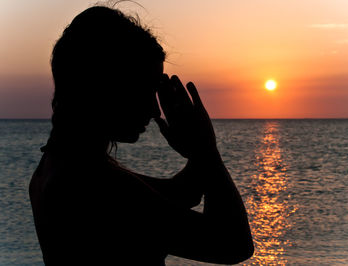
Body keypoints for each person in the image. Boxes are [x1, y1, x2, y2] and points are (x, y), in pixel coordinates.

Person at [29, 5, 254, 265]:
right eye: (145, 90)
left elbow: (182, 192)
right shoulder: (94, 185)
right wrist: (206, 151)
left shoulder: (61, 168)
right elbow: (233, 244)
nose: (153, 109)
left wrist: (198, 150)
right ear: (105, 86)